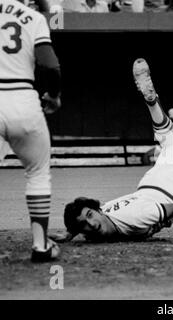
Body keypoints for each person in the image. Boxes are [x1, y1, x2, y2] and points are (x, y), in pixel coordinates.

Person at [52, 59, 173, 245]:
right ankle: (161, 105)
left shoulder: (133, 218)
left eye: (90, 217)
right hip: (152, 181)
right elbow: (87, 219)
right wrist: (69, 233)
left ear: (97, 211)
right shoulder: (100, 213)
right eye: (83, 225)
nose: (92, 225)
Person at [0, 0, 61, 262]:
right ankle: (40, 245)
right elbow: (50, 66)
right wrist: (54, 96)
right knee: (37, 174)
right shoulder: (32, 16)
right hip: (22, 97)